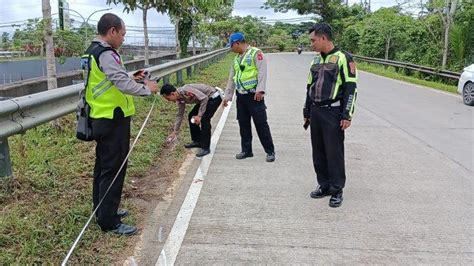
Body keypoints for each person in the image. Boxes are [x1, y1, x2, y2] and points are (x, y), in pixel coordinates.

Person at [82, 13, 158, 235]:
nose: (123, 39)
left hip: (101, 116)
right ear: (112, 31)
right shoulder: (106, 53)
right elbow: (119, 83)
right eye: (122, 34)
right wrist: (146, 88)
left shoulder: (91, 51)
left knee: (103, 167)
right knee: (114, 169)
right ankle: (109, 221)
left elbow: (109, 79)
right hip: (113, 118)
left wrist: (131, 75)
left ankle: (102, 209)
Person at [303, 23, 358, 208]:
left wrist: (347, 115)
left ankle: (336, 190)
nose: (311, 44)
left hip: (333, 112)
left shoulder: (344, 58)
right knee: (318, 152)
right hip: (316, 111)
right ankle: (324, 185)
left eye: (313, 40)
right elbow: (309, 87)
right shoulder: (315, 61)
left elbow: (351, 88)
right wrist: (307, 111)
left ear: (323, 38)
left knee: (334, 152)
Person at [223, 32, 276, 162]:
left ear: (237, 43)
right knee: (243, 124)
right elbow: (232, 78)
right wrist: (227, 96)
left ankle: (270, 151)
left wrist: (260, 90)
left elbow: (262, 71)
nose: (231, 49)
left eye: (232, 46)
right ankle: (247, 150)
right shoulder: (236, 59)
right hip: (241, 96)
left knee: (261, 124)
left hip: (254, 95)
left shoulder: (255, 53)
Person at [161, 83, 223, 157]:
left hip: (213, 97)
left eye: (168, 98)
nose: (168, 101)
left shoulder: (186, 90)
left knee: (204, 120)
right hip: (204, 100)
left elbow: (204, 98)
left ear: (173, 94)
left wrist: (199, 116)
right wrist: (175, 131)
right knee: (191, 116)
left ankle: (206, 148)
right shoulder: (180, 98)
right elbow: (180, 115)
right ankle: (197, 141)